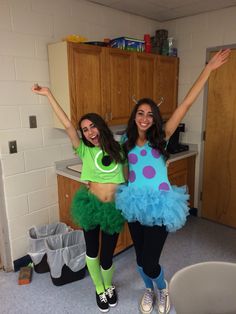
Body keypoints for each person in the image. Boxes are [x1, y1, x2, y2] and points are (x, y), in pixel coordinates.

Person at [116, 49, 231, 314]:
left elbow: (187, 104)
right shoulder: (125, 141)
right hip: (134, 203)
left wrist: (209, 69)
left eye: (150, 114)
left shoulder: (163, 136)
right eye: (140, 113)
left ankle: (162, 287)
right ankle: (149, 290)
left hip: (160, 205)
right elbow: (123, 172)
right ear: (134, 116)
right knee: (140, 259)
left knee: (149, 259)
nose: (145, 118)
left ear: (155, 118)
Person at [31, 84, 126, 313]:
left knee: (107, 256)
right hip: (90, 206)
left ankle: (108, 285)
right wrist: (49, 94)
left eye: (93, 126)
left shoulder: (120, 148)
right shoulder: (84, 151)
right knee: (92, 251)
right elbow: (66, 125)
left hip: (113, 208)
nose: (90, 132)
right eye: (85, 129)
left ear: (101, 127)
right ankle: (99, 289)